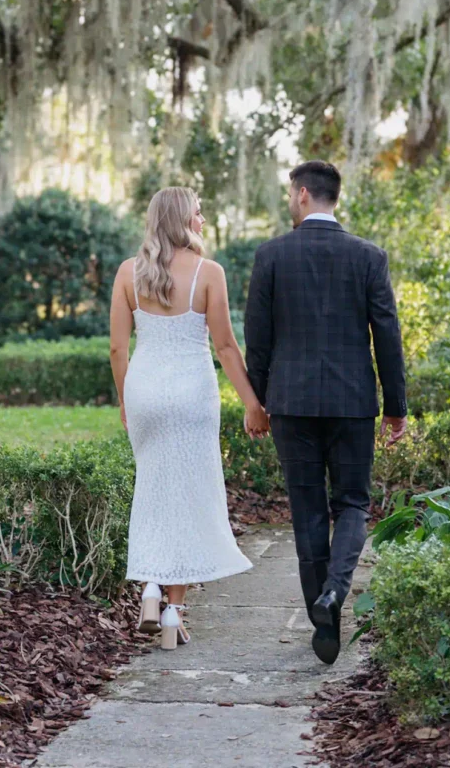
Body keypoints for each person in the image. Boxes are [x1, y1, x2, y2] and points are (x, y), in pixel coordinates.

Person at [243, 160, 407, 666]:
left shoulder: (271, 255)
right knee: (353, 504)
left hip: (291, 403)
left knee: (308, 510)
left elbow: (258, 338)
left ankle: (325, 616)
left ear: (303, 194)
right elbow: (388, 335)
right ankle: (335, 590)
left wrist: (260, 399)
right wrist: (396, 407)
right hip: (353, 402)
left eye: (291, 193)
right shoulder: (368, 257)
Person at [109, 186, 268, 650]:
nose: (203, 219)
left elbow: (119, 349)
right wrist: (252, 404)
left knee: (154, 488)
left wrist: (124, 400)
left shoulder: (127, 274)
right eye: (199, 212)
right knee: (189, 495)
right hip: (193, 396)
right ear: (183, 220)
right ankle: (172, 611)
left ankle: (151, 589)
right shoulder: (208, 272)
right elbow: (224, 347)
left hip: (145, 393)